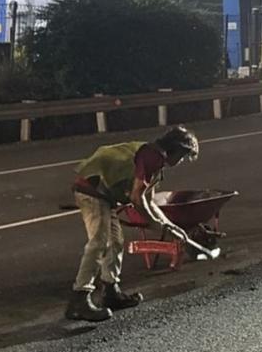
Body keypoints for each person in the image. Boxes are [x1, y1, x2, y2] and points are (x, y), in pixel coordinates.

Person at [67, 125, 202, 322]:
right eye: (182, 156)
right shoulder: (151, 157)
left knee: (115, 242)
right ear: (175, 149)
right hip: (91, 190)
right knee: (99, 242)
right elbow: (137, 199)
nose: (181, 161)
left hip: (105, 195)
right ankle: (79, 299)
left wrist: (172, 227)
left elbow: (149, 201)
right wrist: (160, 227)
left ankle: (110, 291)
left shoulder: (155, 161)